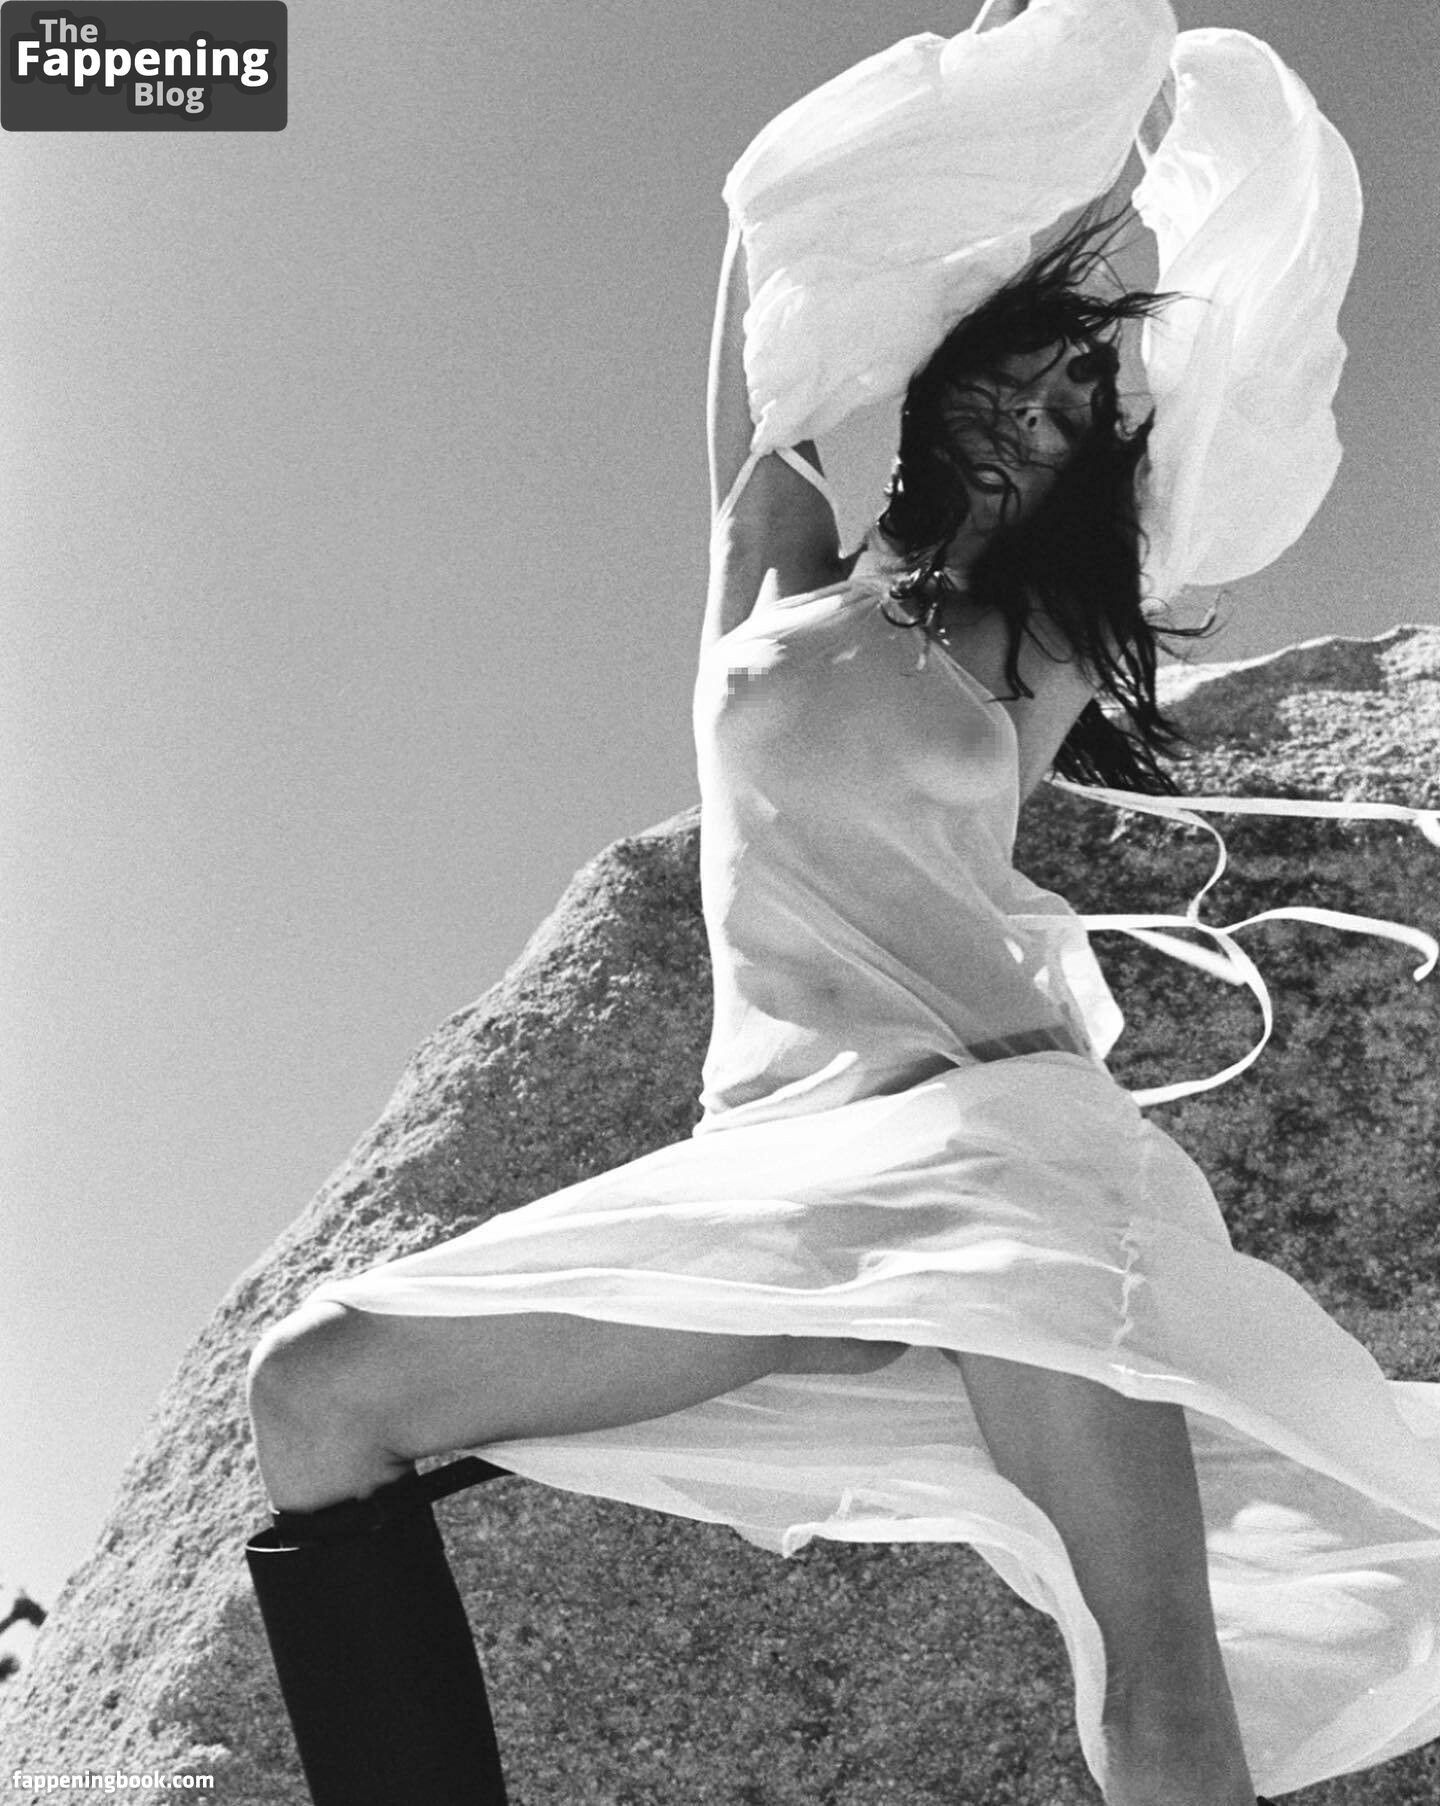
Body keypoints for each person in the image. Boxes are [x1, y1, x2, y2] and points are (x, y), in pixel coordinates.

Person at [244, 5, 1440, 1805]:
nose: (1040, 415)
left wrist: (1194, 149)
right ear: (941, 378)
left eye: (1078, 411)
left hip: (993, 1153)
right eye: (1019, 374)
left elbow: (1236, 375)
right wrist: (1020, 84)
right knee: (316, 1391)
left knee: (1157, 1691)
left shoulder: (1039, 640)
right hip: (770, 1179)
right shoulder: (771, 571)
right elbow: (774, 261)